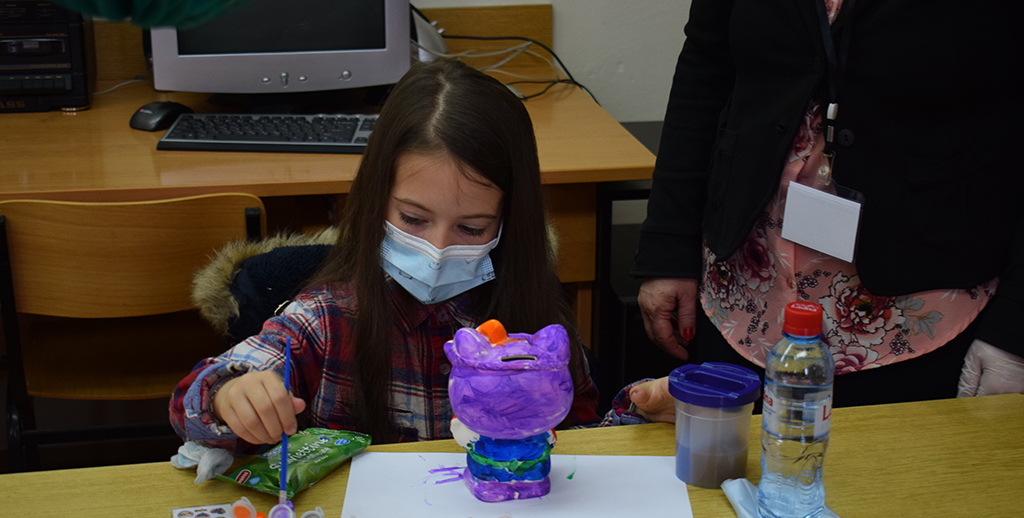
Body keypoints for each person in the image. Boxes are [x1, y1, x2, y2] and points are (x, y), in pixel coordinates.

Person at [170, 58, 600, 451]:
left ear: (509, 223)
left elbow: (583, 439)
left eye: (471, 229)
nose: (437, 250)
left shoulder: (535, 321)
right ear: (377, 200)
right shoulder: (326, 320)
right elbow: (197, 398)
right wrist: (230, 395)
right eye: (413, 219)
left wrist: (632, 412)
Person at [626, 0, 1024, 414]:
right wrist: (667, 248)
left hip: (922, 293)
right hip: (743, 281)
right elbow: (705, 68)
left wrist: (1015, 330)